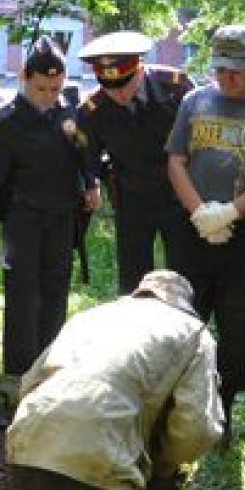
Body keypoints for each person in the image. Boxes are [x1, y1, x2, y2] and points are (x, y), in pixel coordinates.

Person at [5, 270, 224, 490]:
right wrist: (163, 466)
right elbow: (195, 432)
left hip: (26, 448)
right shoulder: (193, 335)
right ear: (186, 306)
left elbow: (29, 383)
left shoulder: (92, 316)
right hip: (93, 461)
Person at [165, 24, 245, 441]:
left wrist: (232, 213)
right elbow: (176, 160)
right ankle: (181, 407)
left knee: (240, 324)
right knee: (186, 320)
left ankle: (224, 405)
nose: (226, 78)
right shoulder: (194, 102)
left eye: (236, 70)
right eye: (220, 69)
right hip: (192, 232)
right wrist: (200, 212)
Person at [0, 37, 100, 382]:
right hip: (22, 219)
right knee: (22, 297)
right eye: (43, 88)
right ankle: (17, 376)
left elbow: (84, 154)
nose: (50, 96)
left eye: (56, 88)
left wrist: (92, 183)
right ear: (24, 78)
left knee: (56, 292)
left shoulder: (70, 111)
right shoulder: (3, 125)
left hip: (61, 217)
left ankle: (51, 368)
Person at [76, 31, 195, 294]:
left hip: (179, 194)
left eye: (124, 85)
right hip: (132, 194)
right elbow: (88, 156)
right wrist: (91, 183)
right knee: (132, 275)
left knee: (186, 271)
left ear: (139, 70)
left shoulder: (176, 88)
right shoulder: (92, 109)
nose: (117, 94)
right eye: (109, 87)